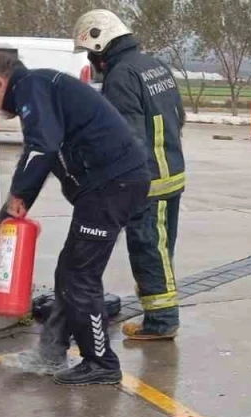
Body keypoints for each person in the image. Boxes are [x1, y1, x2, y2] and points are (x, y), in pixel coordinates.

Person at [0, 52, 150, 385]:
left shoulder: (30, 87)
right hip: (108, 186)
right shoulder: (39, 87)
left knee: (80, 275)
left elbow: (42, 149)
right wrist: (6, 215)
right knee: (70, 271)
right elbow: (38, 153)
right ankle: (51, 351)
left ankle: (102, 363)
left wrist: (7, 212)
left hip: (112, 186)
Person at [73, 10, 186, 341]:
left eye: (91, 52)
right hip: (170, 171)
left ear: (101, 44)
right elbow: (178, 116)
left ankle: (161, 321)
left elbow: (125, 137)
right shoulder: (154, 65)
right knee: (160, 248)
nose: (92, 61)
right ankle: (158, 313)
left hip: (148, 181)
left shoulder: (121, 76)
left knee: (148, 248)